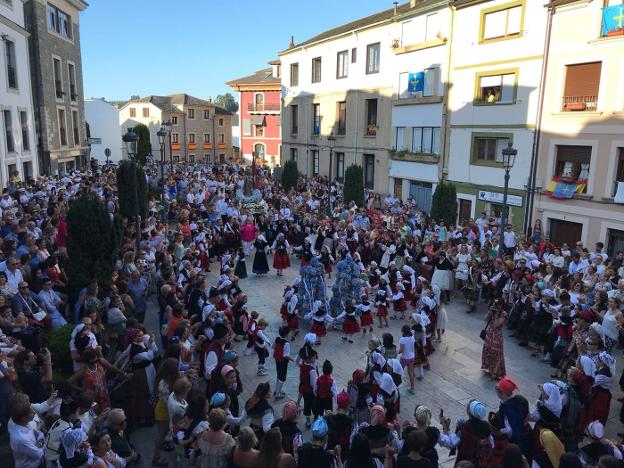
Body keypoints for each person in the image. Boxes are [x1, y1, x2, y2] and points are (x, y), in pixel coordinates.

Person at [481, 301, 508, 379]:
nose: (495, 306)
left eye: (497, 305)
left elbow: (496, 325)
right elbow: (485, 318)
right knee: (487, 350)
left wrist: (496, 314)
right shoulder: (493, 311)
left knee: (496, 353)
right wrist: (490, 311)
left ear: (501, 306)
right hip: (489, 333)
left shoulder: (504, 313)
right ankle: (489, 368)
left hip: (497, 335)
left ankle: (496, 372)